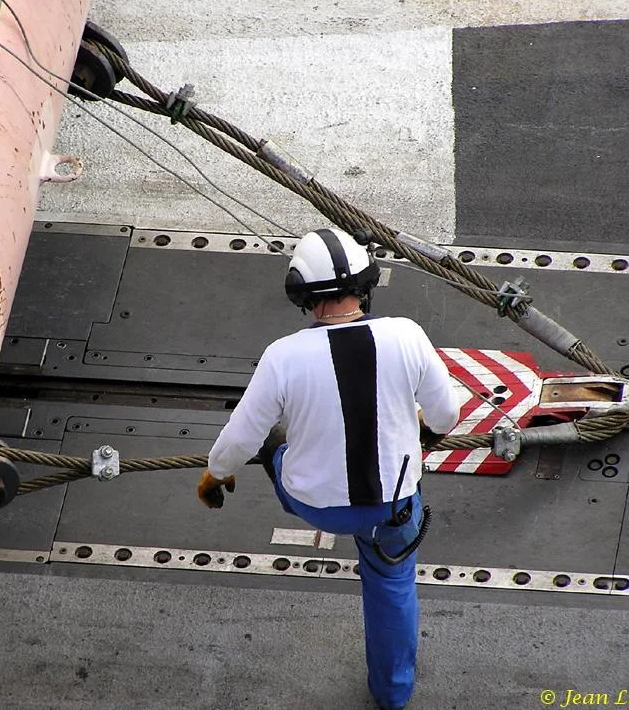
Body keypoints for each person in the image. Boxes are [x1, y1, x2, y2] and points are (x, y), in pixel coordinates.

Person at [196, 227, 462, 710]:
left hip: (319, 507)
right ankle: (394, 695)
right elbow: (447, 419)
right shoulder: (407, 335)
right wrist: (416, 430)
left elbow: (239, 439)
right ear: (364, 286)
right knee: (392, 585)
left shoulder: (282, 356)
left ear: (304, 296)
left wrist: (215, 473)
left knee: (275, 445)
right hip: (393, 506)